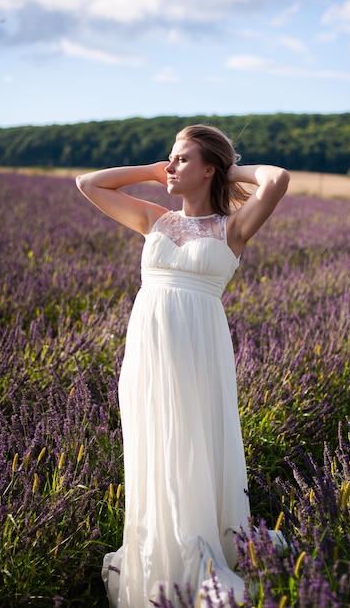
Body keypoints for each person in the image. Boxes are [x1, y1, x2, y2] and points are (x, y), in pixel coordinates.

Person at [76, 124, 290, 607]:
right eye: (170, 158)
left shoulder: (232, 228)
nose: (171, 167)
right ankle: (161, 559)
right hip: (149, 354)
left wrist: (230, 169)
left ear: (210, 168)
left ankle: (199, 557)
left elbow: (276, 180)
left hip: (200, 355)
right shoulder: (156, 220)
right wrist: (154, 171)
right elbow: (88, 184)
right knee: (156, 449)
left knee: (193, 446)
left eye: (183, 159)